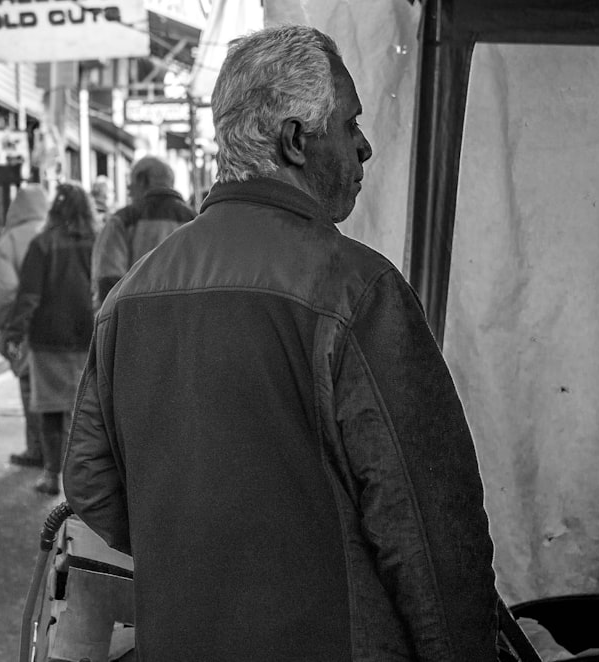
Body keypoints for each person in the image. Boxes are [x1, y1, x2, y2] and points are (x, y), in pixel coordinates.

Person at [63, 25, 499, 661]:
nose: (365, 146)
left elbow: (91, 483)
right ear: (297, 140)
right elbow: (430, 532)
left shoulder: (129, 298)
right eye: (349, 125)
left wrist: (198, 550)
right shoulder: (357, 289)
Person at [3, 182, 97, 495]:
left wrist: (13, 333)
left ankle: (52, 476)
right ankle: (85, 482)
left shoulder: (43, 244)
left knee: (52, 412)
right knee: (87, 413)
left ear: (55, 210)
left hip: (48, 341)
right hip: (90, 339)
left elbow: (28, 296)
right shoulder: (99, 242)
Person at [0, 183, 49, 468]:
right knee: (58, 394)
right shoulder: (53, 233)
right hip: (59, 329)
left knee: (29, 390)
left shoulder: (10, 240)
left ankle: (35, 449)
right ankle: (57, 455)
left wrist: (4, 324)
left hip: (25, 328)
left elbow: (1, 289)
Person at [90, 155, 194, 309]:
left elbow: (108, 279)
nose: (129, 192)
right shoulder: (195, 220)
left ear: (143, 181)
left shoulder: (122, 221)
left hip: (135, 323)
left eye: (130, 186)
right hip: (186, 321)